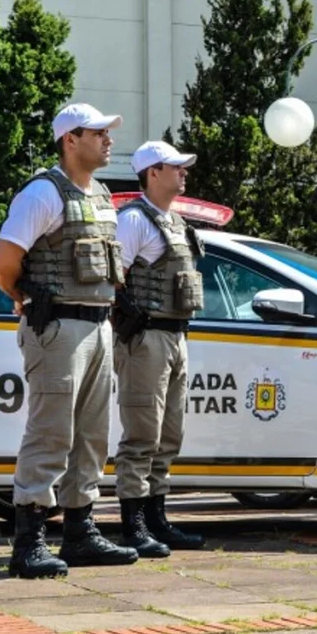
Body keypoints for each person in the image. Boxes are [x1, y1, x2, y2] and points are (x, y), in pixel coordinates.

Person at [0, 103, 138, 579]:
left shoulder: (100, 195)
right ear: (69, 140)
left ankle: (80, 532)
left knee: (91, 437)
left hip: (97, 325)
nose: (107, 139)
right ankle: (28, 541)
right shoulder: (43, 193)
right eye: (97, 132)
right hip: (57, 329)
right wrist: (24, 297)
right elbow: (3, 259)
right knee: (50, 432)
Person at [112, 140, 206, 555]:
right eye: (175, 167)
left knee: (170, 434)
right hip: (146, 336)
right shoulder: (134, 221)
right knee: (141, 435)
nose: (184, 173)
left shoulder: (175, 221)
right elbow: (114, 280)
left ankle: (156, 520)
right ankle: (133, 526)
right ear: (152, 173)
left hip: (175, 334)